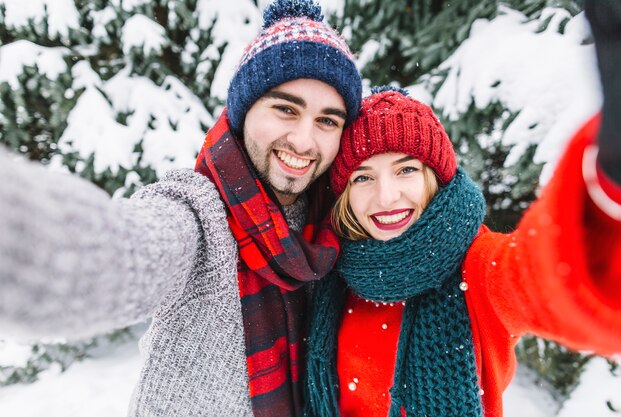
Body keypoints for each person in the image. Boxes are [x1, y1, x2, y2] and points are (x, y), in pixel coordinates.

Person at [0, 0, 361, 416]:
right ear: (243, 113)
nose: (303, 141)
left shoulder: (332, 231)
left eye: (327, 121)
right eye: (285, 109)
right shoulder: (195, 214)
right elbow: (113, 254)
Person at [304, 2, 621, 416]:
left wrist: (612, 191)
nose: (386, 197)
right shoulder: (333, 268)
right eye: (363, 177)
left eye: (405, 170)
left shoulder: (476, 269)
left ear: (433, 178)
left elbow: (547, 281)